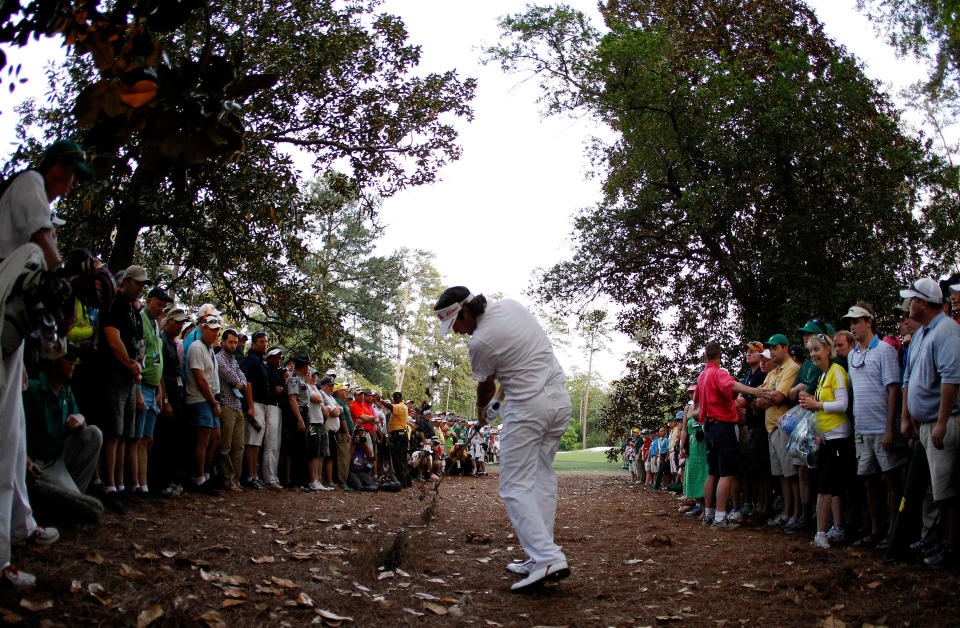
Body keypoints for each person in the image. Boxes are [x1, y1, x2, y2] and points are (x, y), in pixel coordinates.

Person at [435, 286, 571, 592]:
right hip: (559, 401)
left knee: (513, 486)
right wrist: (495, 405)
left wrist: (483, 410)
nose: (456, 332)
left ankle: (547, 557)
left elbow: (485, 387)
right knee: (541, 478)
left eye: (455, 324)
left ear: (466, 311)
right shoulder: (511, 306)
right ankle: (539, 555)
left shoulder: (480, 342)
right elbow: (516, 366)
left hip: (528, 411)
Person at [899, 278, 960, 568]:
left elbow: (951, 379)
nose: (908, 304)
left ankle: (951, 548)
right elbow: (908, 379)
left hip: (941, 423)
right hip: (923, 425)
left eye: (911, 299)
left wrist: (941, 422)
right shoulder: (922, 335)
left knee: (947, 492)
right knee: (932, 490)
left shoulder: (947, 331)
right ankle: (933, 538)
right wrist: (906, 417)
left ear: (923, 303)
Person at [843, 303, 906, 548]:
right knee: (868, 479)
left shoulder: (885, 351)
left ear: (869, 322)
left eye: (857, 321)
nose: (853, 327)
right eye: (851, 323)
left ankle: (893, 531)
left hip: (882, 427)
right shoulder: (853, 355)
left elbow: (894, 391)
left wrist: (891, 428)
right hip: (862, 428)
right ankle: (875, 529)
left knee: (891, 478)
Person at [23, 347, 104, 524]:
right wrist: (27, 461)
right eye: (68, 358)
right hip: (39, 464)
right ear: (53, 359)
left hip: (59, 458)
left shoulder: (66, 391)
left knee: (94, 433)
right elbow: (16, 432)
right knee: (87, 510)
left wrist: (80, 419)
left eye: (75, 360)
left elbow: (80, 423)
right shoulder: (34, 390)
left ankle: (71, 498)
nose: (73, 364)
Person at [693, 342, 764, 529]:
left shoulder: (702, 376)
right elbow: (732, 385)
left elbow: (697, 404)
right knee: (726, 473)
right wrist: (755, 391)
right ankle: (720, 517)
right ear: (720, 356)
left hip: (708, 427)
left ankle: (708, 514)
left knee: (713, 472)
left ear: (705, 356)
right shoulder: (719, 373)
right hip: (722, 426)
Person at [97, 265, 149, 507]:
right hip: (113, 375)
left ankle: (120, 485)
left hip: (130, 379)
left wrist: (137, 365)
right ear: (125, 281)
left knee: (126, 434)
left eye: (142, 285)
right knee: (114, 432)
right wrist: (129, 364)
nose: (140, 288)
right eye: (137, 283)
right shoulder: (113, 305)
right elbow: (112, 337)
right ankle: (108, 487)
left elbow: (139, 343)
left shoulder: (134, 313)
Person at [798, 333, 854, 549]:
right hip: (827, 437)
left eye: (817, 350)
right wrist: (811, 402)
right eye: (811, 351)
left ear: (828, 350)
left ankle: (821, 532)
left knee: (825, 487)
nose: (813, 354)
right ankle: (837, 527)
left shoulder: (837, 372)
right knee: (833, 486)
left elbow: (842, 404)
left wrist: (817, 405)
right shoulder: (823, 375)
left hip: (838, 437)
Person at [755, 334, 801, 529]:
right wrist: (767, 397)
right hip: (772, 427)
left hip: (785, 427)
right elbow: (759, 399)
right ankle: (787, 512)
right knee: (781, 475)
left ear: (785, 348)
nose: (772, 351)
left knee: (791, 474)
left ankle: (797, 514)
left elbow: (779, 397)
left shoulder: (791, 368)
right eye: (770, 348)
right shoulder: (772, 373)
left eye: (775, 348)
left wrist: (767, 397)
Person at [131, 286, 171, 497]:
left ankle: (143, 483)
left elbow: (158, 361)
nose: (160, 309)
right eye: (158, 304)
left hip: (153, 387)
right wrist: (138, 388)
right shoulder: (139, 320)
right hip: (140, 384)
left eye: (164, 306)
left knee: (147, 439)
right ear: (149, 301)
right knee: (136, 438)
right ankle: (135, 484)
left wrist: (160, 392)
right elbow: (138, 356)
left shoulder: (156, 326)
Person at [184, 314, 223, 495]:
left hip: (211, 399)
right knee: (204, 437)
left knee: (215, 437)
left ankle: (206, 475)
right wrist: (212, 401)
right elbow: (200, 378)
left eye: (217, 330)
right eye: (212, 329)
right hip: (200, 399)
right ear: (203, 328)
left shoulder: (210, 350)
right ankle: (198, 477)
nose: (215, 333)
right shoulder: (196, 348)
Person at [215, 329, 250, 492]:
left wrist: (240, 382)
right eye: (231, 342)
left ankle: (236, 479)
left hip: (237, 405)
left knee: (239, 446)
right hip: (226, 404)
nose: (234, 345)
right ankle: (227, 479)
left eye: (235, 342)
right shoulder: (219, 358)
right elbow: (233, 378)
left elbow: (242, 378)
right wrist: (240, 383)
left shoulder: (234, 360)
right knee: (225, 445)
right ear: (223, 342)